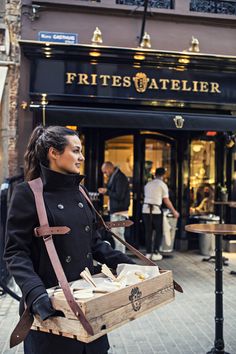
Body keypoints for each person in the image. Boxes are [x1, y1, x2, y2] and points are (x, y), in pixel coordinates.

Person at [4, 126, 134, 354]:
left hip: (88, 305)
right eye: (76, 151)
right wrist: (35, 293)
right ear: (54, 153)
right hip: (50, 309)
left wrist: (132, 266)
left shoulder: (80, 192)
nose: (81, 157)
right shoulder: (27, 193)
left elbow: (95, 244)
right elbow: (15, 252)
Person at [142, 167, 179, 261]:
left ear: (155, 174)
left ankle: (148, 252)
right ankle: (155, 252)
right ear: (163, 175)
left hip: (146, 210)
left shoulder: (148, 184)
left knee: (148, 232)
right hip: (156, 210)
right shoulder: (162, 185)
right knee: (159, 232)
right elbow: (166, 200)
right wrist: (174, 211)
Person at [98, 161, 130, 254]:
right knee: (117, 236)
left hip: (119, 211)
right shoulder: (116, 177)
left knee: (118, 236)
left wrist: (106, 191)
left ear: (109, 168)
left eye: (105, 172)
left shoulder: (120, 177)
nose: (105, 174)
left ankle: (121, 259)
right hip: (116, 211)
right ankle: (120, 257)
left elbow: (119, 195)